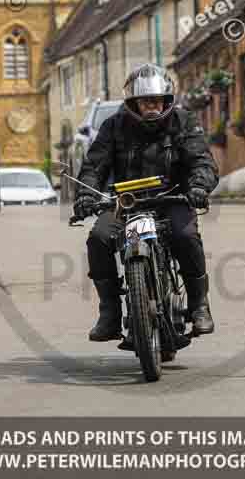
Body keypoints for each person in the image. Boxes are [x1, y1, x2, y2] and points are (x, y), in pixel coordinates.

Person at [72, 63, 219, 344]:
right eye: (145, 101)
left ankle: (200, 305)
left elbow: (201, 160)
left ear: (166, 100)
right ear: (133, 103)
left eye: (157, 100)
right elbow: (94, 166)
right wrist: (86, 195)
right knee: (99, 239)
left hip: (173, 198)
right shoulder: (113, 126)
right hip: (125, 203)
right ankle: (110, 313)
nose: (152, 106)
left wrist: (199, 186)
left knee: (185, 236)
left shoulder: (184, 122)